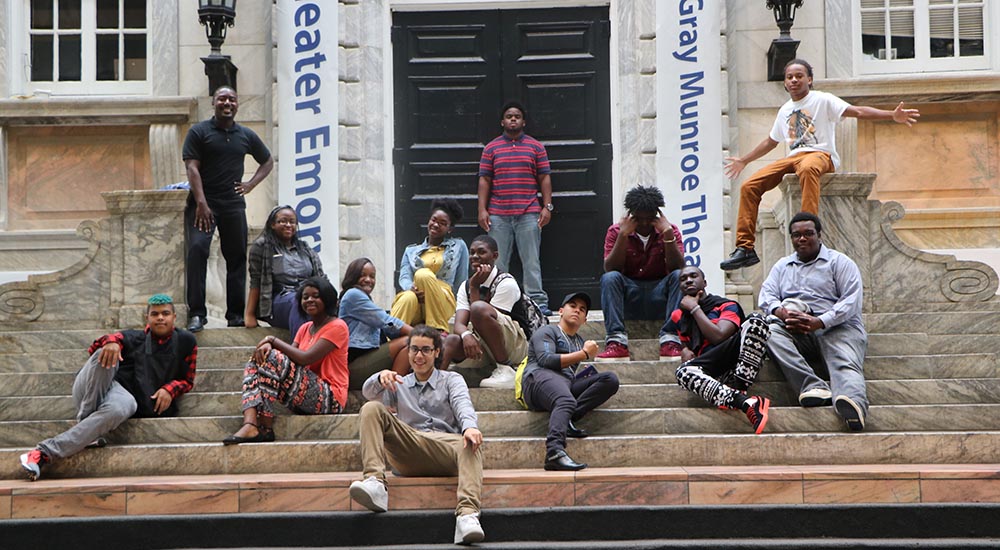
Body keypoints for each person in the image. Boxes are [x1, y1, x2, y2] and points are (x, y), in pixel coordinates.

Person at [721, 58, 919, 270]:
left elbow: (858, 112)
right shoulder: (785, 110)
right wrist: (744, 160)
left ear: (810, 79)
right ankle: (745, 249)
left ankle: (807, 230)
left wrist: (891, 115)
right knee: (749, 186)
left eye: (799, 76)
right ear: (785, 83)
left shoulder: (823, 100)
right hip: (793, 157)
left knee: (807, 168)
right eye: (790, 77)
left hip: (820, 154)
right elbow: (771, 141)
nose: (794, 80)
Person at [19, 295, 197, 481]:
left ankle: (43, 453)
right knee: (103, 353)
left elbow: (188, 379)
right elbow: (96, 348)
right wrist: (111, 342)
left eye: (165, 313)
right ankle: (86, 419)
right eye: (155, 314)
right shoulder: (134, 337)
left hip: (121, 397)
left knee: (124, 406)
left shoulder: (186, 341)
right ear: (148, 318)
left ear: (175, 317)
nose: (160, 318)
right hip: (92, 389)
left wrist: (170, 388)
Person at [350, 325, 486, 545]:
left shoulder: (451, 379)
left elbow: (463, 405)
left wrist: (470, 427)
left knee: (470, 443)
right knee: (371, 409)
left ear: (437, 352)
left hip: (444, 448)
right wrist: (380, 376)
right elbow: (368, 393)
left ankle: (467, 515)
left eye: (425, 350)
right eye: (414, 350)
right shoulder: (399, 383)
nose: (418, 356)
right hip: (409, 448)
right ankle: (375, 482)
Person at [759, 212, 868, 432]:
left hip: (838, 327)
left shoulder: (840, 262)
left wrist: (820, 321)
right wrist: (783, 313)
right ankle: (812, 386)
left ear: (819, 235)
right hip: (797, 330)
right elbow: (766, 296)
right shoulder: (782, 266)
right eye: (797, 235)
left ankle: (852, 403)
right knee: (769, 330)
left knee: (843, 361)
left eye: (808, 234)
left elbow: (851, 302)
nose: (802, 239)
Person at [184, 85, 274, 331]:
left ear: (237, 104)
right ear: (213, 103)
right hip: (203, 203)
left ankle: (235, 314)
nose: (227, 103)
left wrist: (250, 184)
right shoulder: (199, 131)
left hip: (233, 204)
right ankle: (197, 314)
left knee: (236, 258)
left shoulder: (245, 135)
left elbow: (267, 161)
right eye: (222, 99)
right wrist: (201, 202)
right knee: (197, 250)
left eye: (232, 99)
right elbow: (192, 168)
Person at [223, 276, 348, 444]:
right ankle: (251, 423)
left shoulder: (338, 326)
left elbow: (305, 358)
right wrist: (268, 347)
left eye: (315, 296)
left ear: (327, 298)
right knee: (257, 359)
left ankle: (266, 425)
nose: (310, 300)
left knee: (272, 356)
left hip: (330, 399)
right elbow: (290, 360)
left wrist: (272, 341)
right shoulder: (304, 328)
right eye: (305, 297)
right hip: (301, 395)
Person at [519, 292, 619, 471]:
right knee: (565, 400)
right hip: (538, 379)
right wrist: (584, 354)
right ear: (560, 311)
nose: (577, 311)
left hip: (562, 384)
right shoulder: (547, 331)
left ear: (585, 319)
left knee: (609, 379)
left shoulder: (579, 341)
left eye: (582, 309)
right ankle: (554, 452)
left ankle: (568, 418)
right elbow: (546, 360)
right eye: (572, 306)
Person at [669, 266, 772, 434]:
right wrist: (685, 349)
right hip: (713, 372)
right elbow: (688, 343)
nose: (688, 280)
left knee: (756, 320)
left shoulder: (727, 305)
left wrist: (695, 309)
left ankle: (738, 389)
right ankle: (745, 402)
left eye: (693, 276)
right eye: (683, 279)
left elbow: (719, 336)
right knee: (682, 372)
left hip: (736, 363)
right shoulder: (678, 316)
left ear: (705, 282)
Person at [478, 101, 553, 315]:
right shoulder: (491, 148)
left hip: (529, 212)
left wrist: (547, 206)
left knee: (531, 260)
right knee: (498, 261)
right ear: (502, 121)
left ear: (523, 121)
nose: (513, 119)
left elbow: (544, 177)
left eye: (517, 116)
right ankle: (499, 302)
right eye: (509, 116)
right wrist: (482, 210)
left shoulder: (535, 147)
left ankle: (537, 302)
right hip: (498, 214)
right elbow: (484, 180)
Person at [596, 185, 685, 361]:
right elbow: (610, 268)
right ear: (630, 215)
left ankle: (670, 341)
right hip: (630, 297)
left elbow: (678, 267)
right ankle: (617, 343)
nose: (644, 223)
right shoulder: (616, 231)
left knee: (679, 276)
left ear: (657, 215)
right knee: (609, 278)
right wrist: (623, 235)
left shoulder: (669, 230)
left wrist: (667, 234)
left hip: (659, 296)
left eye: (649, 218)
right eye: (639, 218)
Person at [440, 235, 529, 389]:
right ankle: (434, 385)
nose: (475, 256)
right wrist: (466, 335)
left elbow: (480, 320)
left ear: (494, 256)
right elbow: (459, 325)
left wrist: (474, 288)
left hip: (515, 346)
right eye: (472, 252)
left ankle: (506, 369)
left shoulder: (506, 283)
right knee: (451, 341)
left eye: (481, 252)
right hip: (485, 347)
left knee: (478, 309)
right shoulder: (465, 285)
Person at [245, 205, 324, 338]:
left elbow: (321, 278)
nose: (288, 225)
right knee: (299, 302)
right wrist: (249, 314)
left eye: (292, 222)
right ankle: (301, 350)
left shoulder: (305, 248)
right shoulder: (262, 246)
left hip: (306, 297)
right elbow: (256, 281)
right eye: (283, 221)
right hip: (279, 300)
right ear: (272, 224)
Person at [392, 199, 469, 333]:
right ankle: (389, 337)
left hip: (443, 301)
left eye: (443, 223)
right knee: (407, 297)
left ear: (450, 229)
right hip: (418, 298)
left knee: (423, 274)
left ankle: (437, 330)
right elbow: (404, 277)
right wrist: (411, 289)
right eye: (434, 220)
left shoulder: (459, 247)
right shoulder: (410, 251)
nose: (436, 225)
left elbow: (461, 281)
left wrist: (461, 310)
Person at [339, 257, 413, 387]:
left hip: (366, 360)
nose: (368, 280)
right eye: (363, 275)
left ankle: (396, 390)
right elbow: (386, 321)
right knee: (410, 341)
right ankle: (394, 394)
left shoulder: (364, 300)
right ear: (353, 276)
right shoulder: (353, 295)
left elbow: (389, 329)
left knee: (411, 346)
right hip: (353, 366)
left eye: (372, 276)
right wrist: (425, 335)